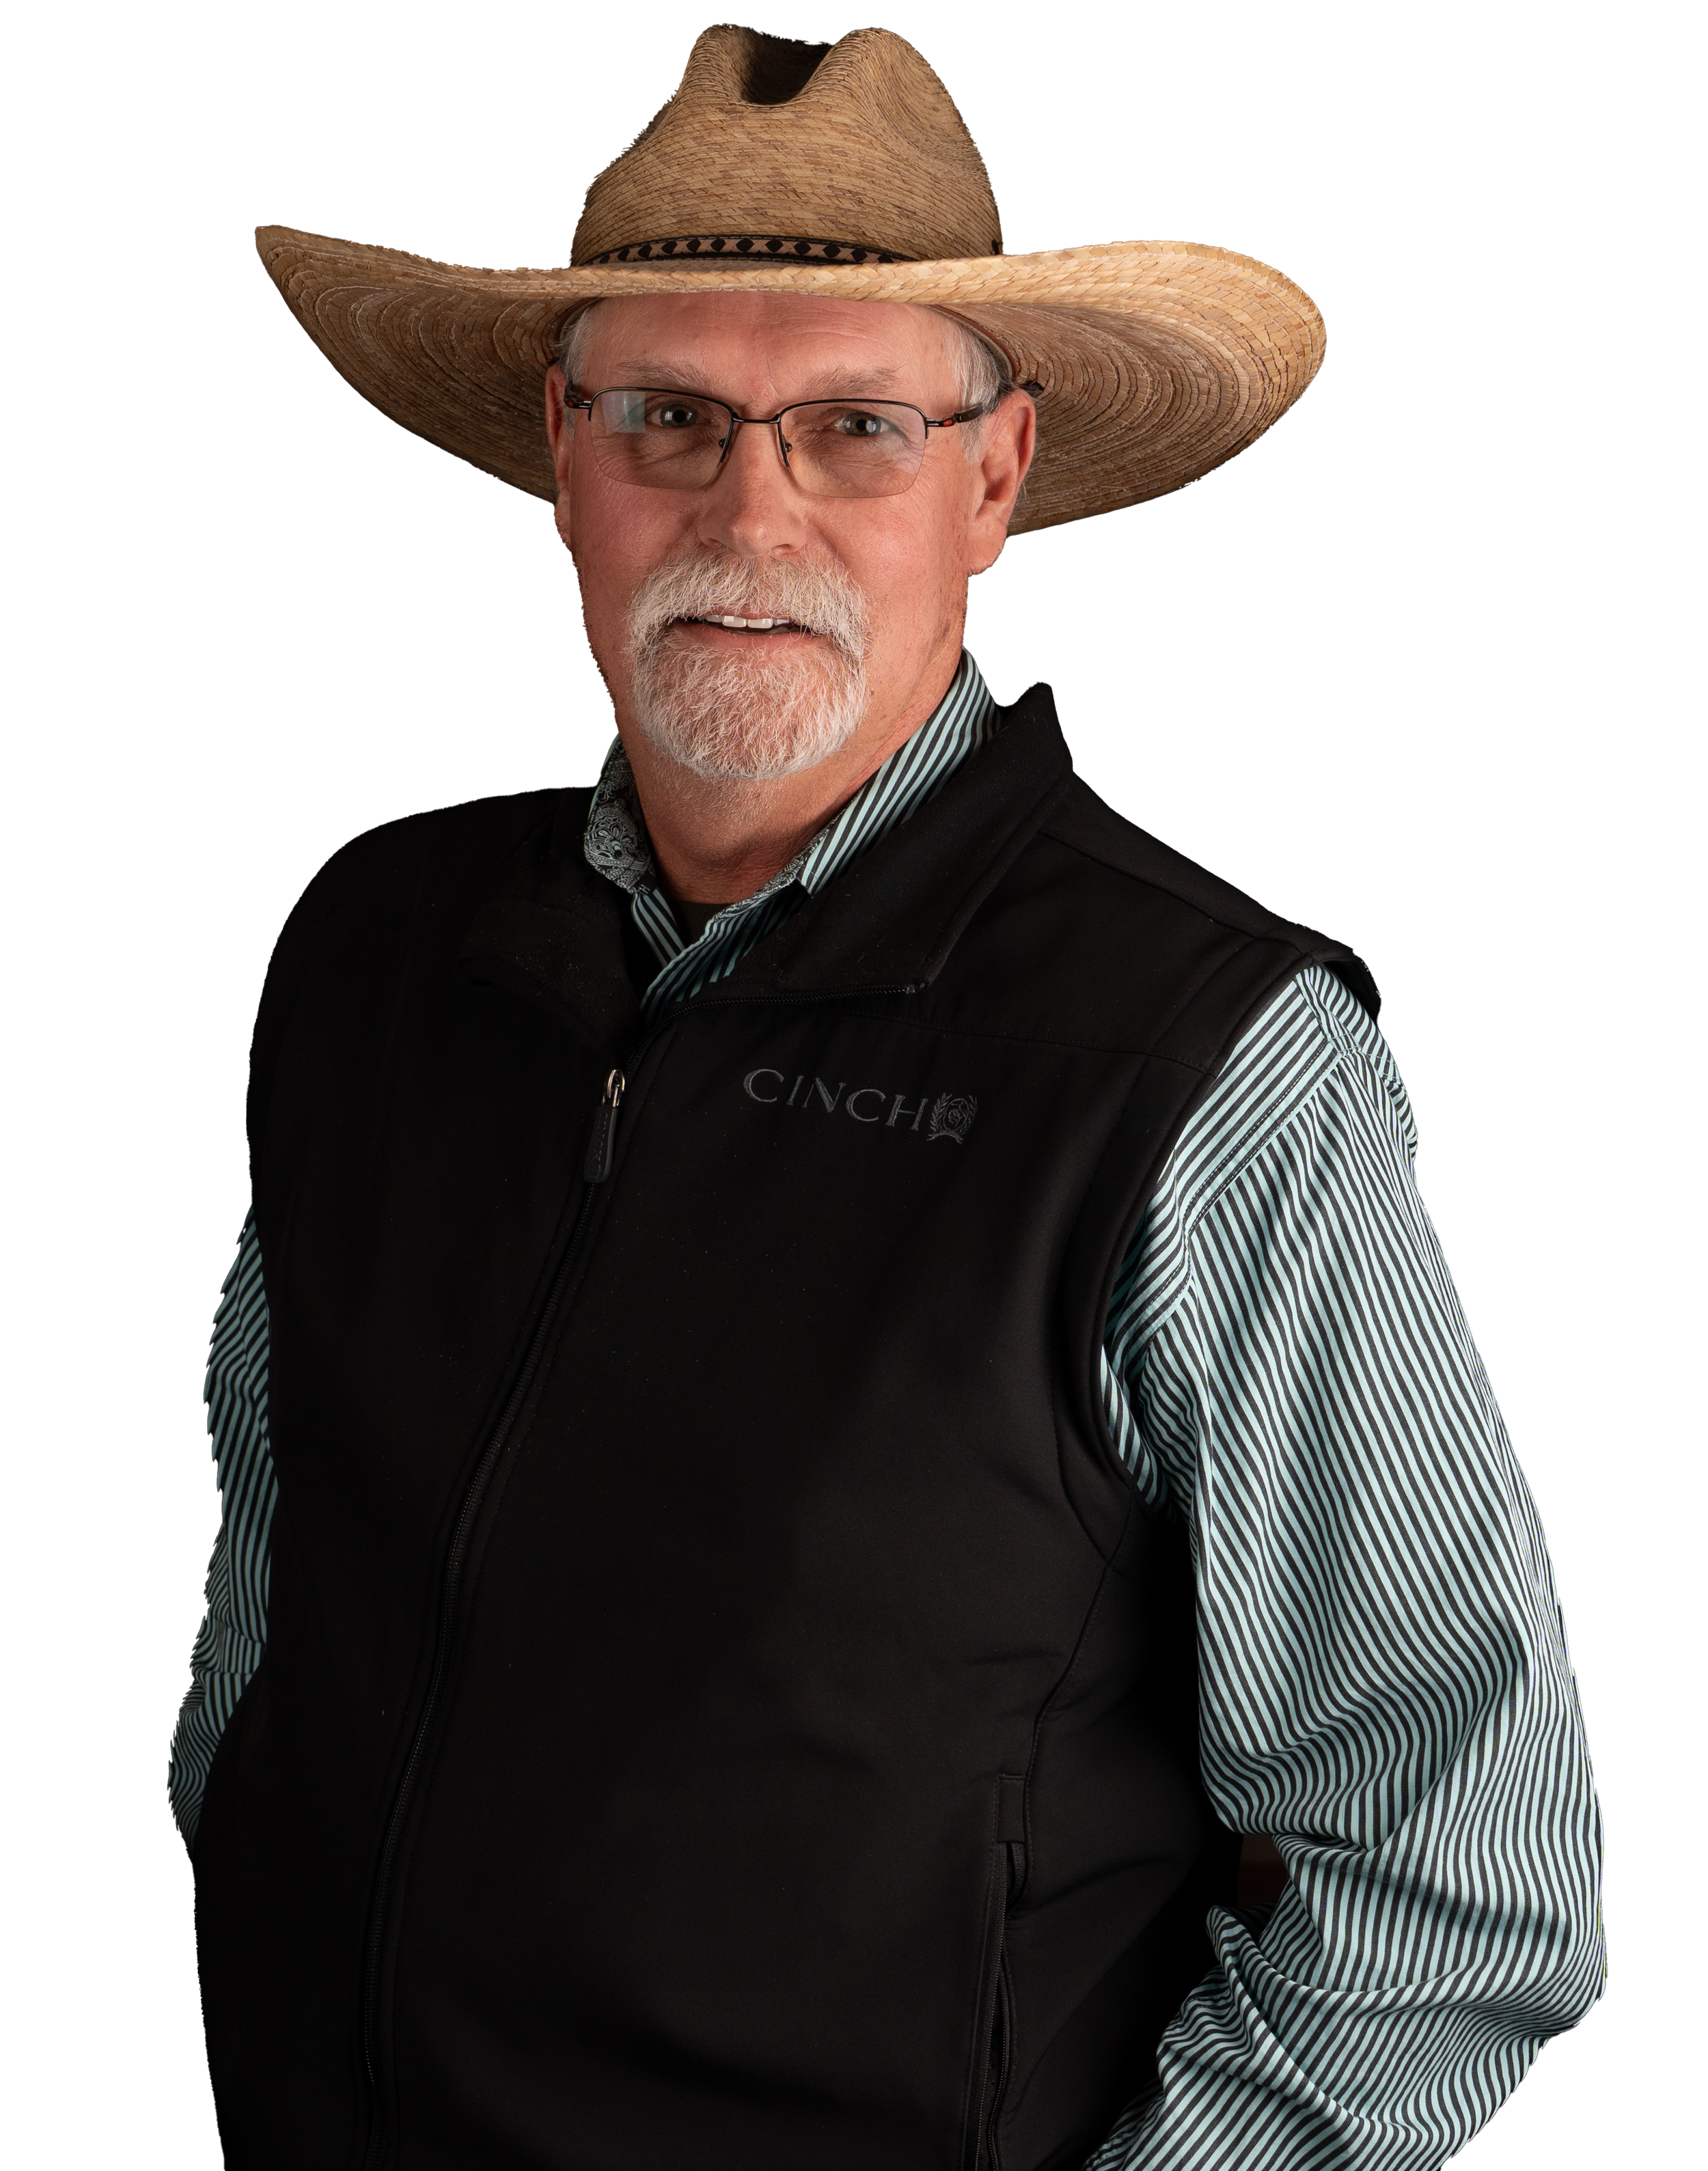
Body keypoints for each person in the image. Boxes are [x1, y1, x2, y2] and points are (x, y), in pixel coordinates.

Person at [171, 25, 1603, 2170]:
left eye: (852, 428)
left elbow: (1452, 1887)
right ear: (560, 457)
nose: (748, 511)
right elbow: (263, 1601)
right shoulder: (376, 950)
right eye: (666, 418)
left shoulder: (1208, 1059)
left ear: (993, 478)